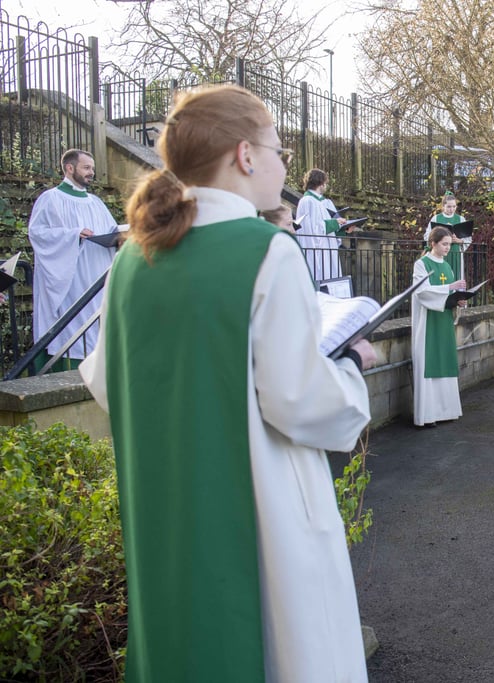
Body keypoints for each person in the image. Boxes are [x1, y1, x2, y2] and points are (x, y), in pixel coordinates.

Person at [79, 84, 376, 682]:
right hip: (262, 510)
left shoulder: (133, 258)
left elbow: (108, 382)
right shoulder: (268, 250)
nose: (284, 164)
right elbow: (301, 400)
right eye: (279, 150)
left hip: (165, 510)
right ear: (245, 154)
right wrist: (350, 367)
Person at [28, 149, 119, 366]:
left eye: (92, 169)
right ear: (70, 168)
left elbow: (109, 228)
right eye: (86, 168)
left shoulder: (95, 202)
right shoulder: (50, 199)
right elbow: (37, 233)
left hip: (96, 271)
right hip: (70, 278)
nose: (91, 173)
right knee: (71, 326)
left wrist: (120, 236)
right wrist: (72, 235)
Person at [411, 226, 466, 427]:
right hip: (428, 323)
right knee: (429, 363)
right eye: (444, 244)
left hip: (443, 320)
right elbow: (422, 293)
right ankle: (427, 415)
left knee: (445, 362)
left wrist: (459, 300)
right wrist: (450, 288)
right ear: (432, 243)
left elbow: (449, 295)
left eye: (449, 245)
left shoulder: (448, 267)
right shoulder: (421, 264)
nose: (447, 249)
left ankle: (446, 411)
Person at [295, 168, 349, 281]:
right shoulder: (307, 201)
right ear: (321, 183)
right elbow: (311, 228)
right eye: (325, 183)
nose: (326, 186)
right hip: (316, 249)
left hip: (329, 249)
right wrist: (335, 223)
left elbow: (335, 224)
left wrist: (344, 228)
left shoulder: (327, 202)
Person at [424, 191, 471, 280]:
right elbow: (427, 236)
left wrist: (459, 240)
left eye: (454, 206)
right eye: (449, 206)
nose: (452, 209)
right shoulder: (436, 218)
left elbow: (468, 238)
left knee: (456, 277)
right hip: (439, 252)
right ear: (443, 206)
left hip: (455, 253)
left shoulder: (461, 219)